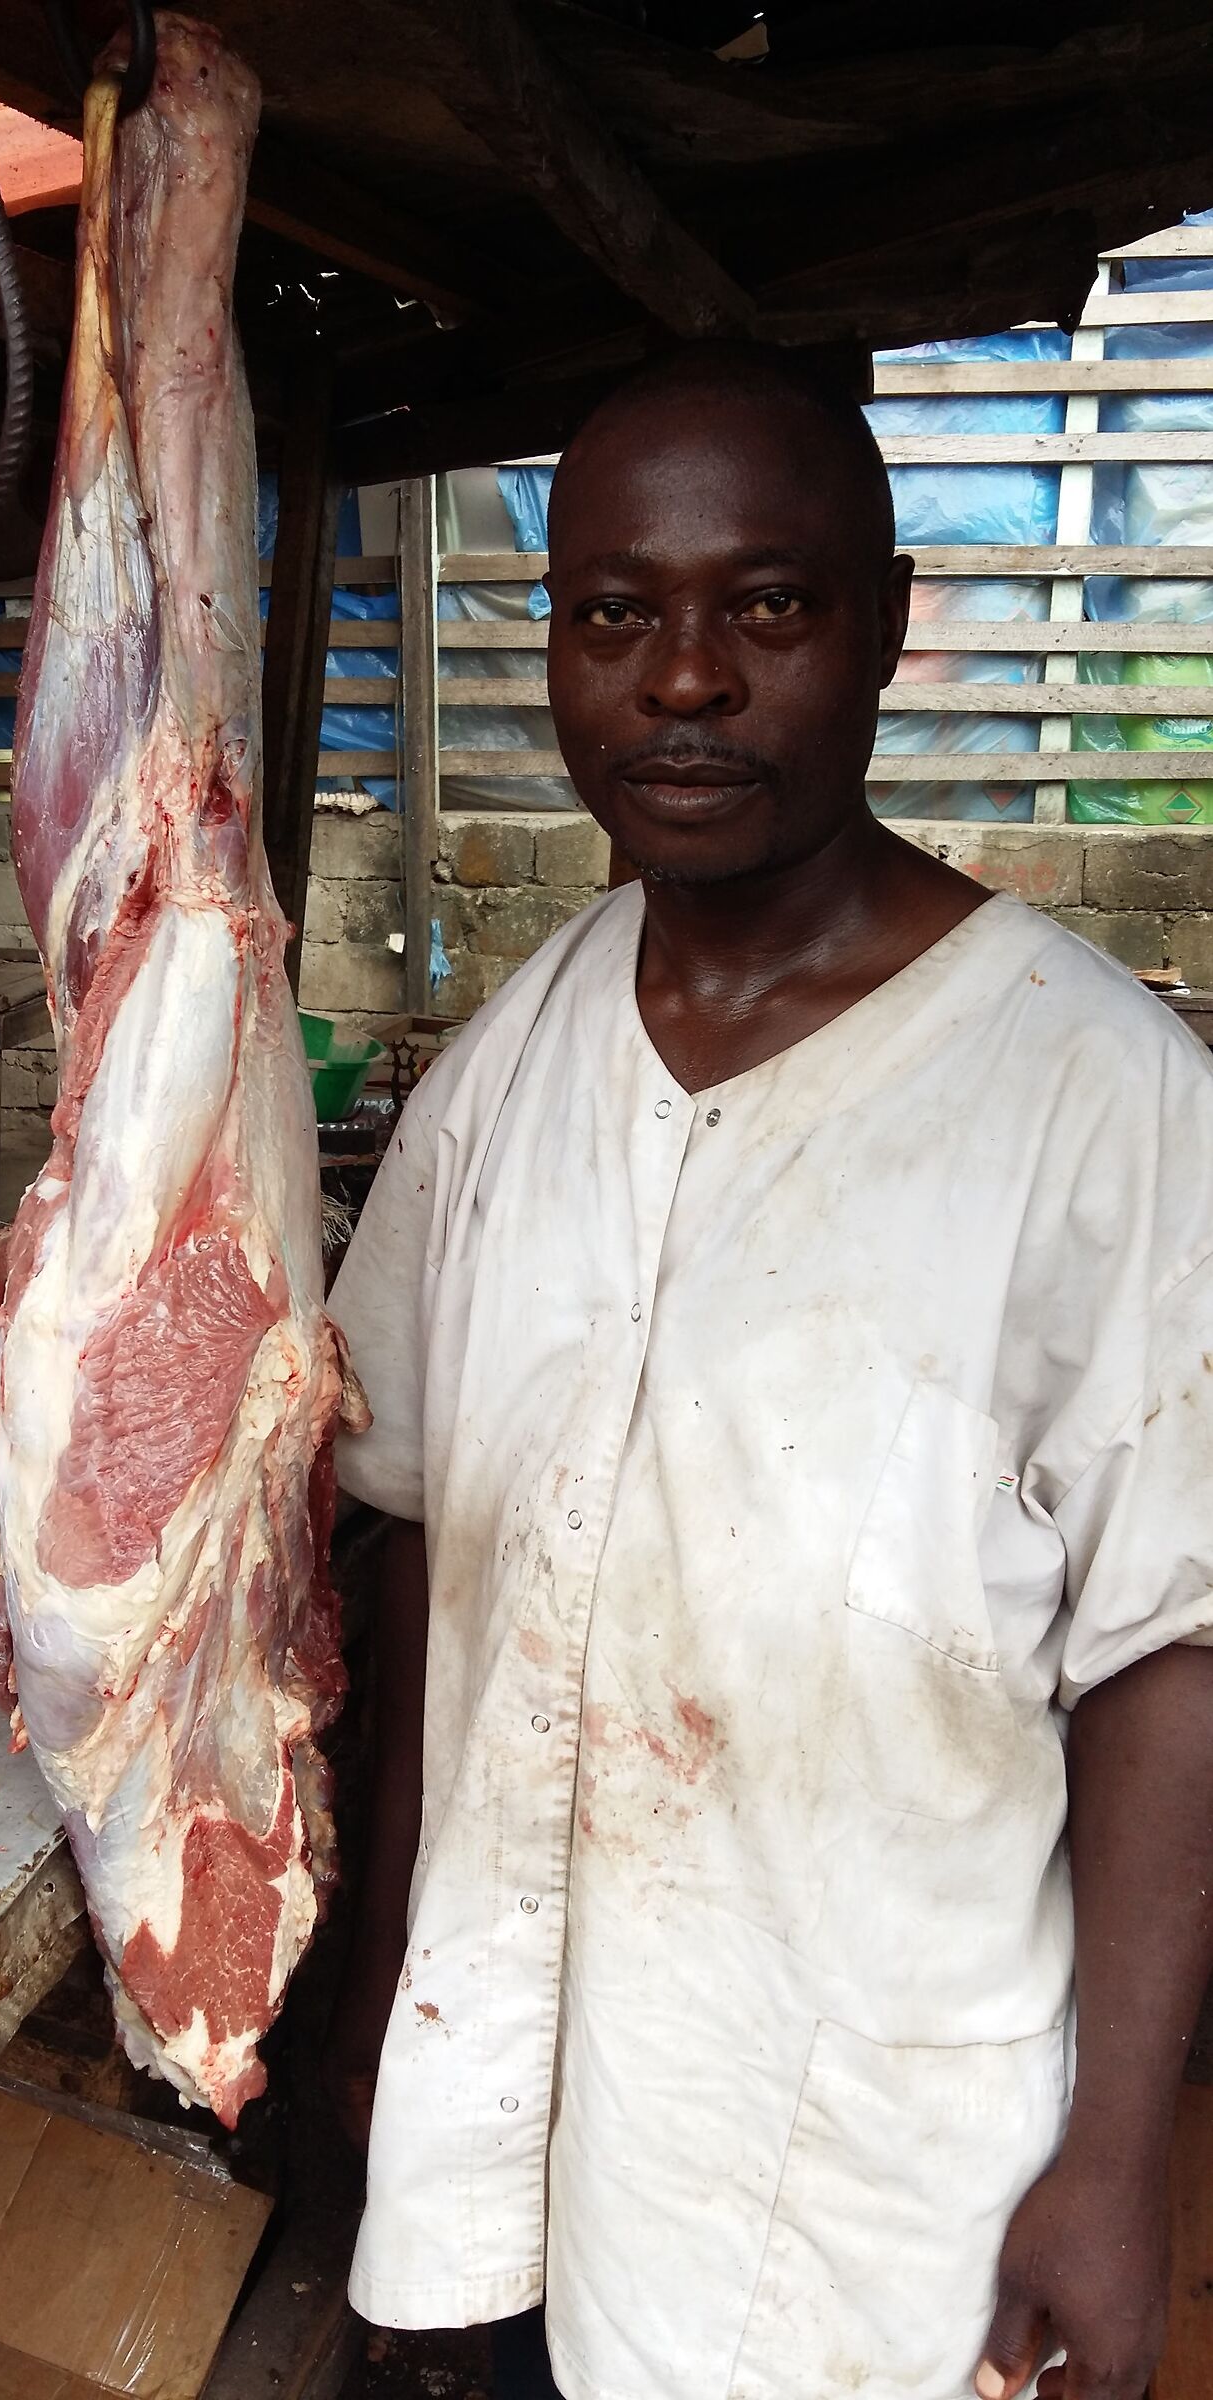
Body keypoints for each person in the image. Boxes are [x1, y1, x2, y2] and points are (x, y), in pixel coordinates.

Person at [323, 344, 1213, 2400]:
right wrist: (383, 1988)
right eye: (616, 613)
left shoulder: (1100, 1101)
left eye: (768, 606)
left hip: (867, 2152)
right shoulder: (506, 1073)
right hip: (508, 2081)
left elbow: (1173, 1650)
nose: (686, 681)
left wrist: (1121, 2157)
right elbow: (406, 1545)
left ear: (886, 630)